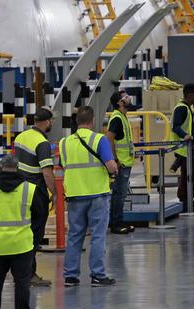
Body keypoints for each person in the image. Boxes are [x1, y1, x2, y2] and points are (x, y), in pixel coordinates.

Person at [59, 105, 118, 288]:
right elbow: (110, 165)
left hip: (75, 195)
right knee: (97, 236)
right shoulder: (99, 139)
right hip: (97, 195)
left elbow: (63, 165)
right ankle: (98, 275)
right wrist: (115, 169)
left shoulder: (64, 143)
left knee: (75, 236)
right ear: (92, 121)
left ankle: (70, 276)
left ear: (77, 122)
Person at [0, 155, 37, 309]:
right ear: (18, 167)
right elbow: (39, 215)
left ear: (1, 167)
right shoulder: (29, 189)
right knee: (22, 284)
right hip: (21, 246)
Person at [13, 107, 55, 287]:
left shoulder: (21, 137)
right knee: (35, 235)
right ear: (46, 122)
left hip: (21, 191)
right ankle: (29, 274)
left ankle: (21, 274)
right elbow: (46, 172)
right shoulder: (42, 143)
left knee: (24, 233)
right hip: (37, 193)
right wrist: (55, 193)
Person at [168, 84, 194, 213]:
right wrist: (186, 135)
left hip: (189, 147)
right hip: (185, 147)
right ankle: (186, 201)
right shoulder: (182, 108)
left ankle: (186, 201)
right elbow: (175, 126)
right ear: (190, 94)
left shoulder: (186, 108)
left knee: (188, 174)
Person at [105, 91, 137, 234]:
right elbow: (109, 138)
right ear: (119, 102)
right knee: (119, 194)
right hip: (121, 163)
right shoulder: (117, 118)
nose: (128, 98)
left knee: (121, 194)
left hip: (126, 162)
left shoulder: (123, 117)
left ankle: (118, 220)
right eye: (125, 97)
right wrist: (115, 159)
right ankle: (115, 224)